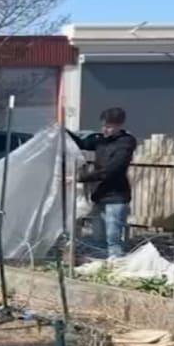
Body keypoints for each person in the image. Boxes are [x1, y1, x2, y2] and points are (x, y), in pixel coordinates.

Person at [70, 107, 136, 260]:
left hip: (117, 195)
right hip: (100, 194)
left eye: (109, 126)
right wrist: (63, 131)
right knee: (98, 236)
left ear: (119, 125)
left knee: (113, 235)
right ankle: (102, 261)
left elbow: (113, 169)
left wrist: (81, 178)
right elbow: (82, 143)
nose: (105, 129)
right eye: (103, 125)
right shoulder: (100, 140)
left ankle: (116, 260)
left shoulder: (126, 142)